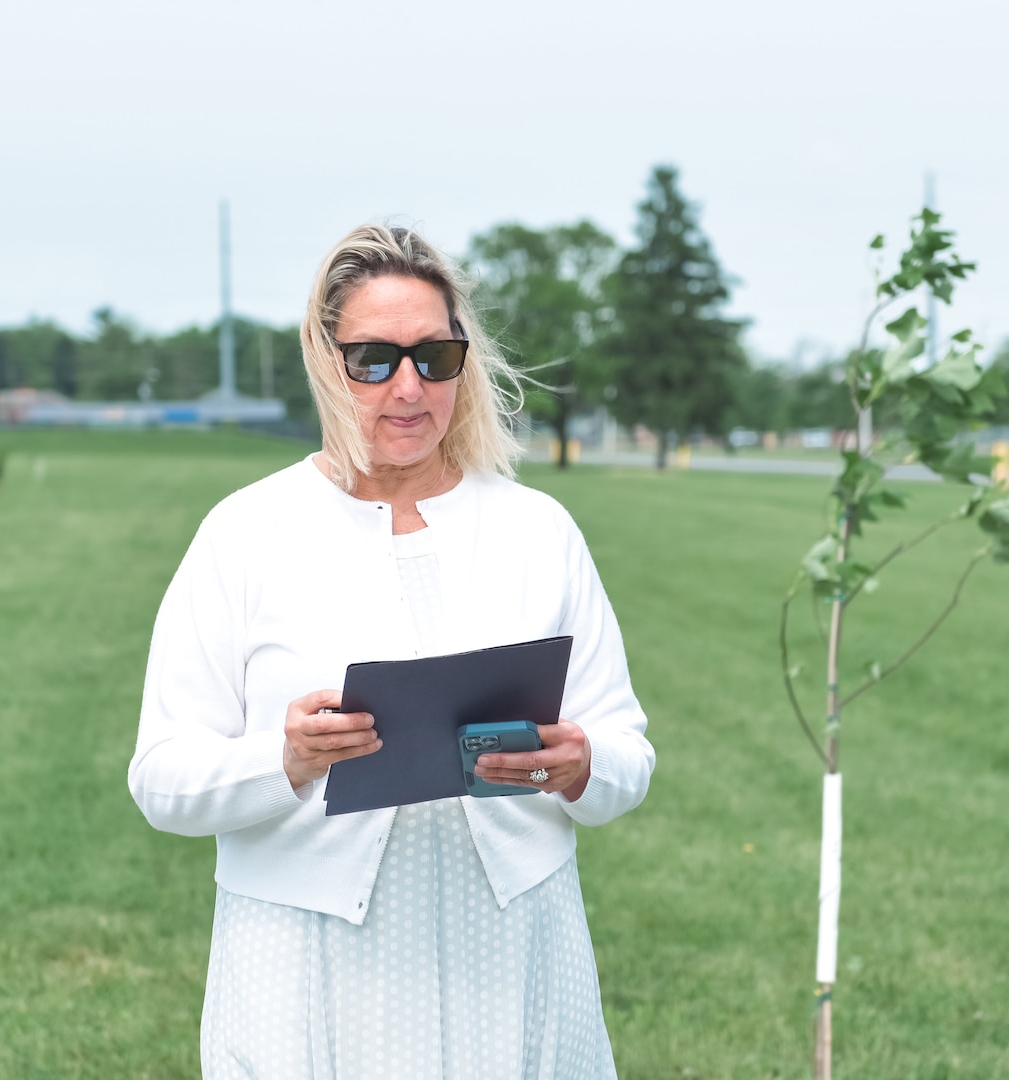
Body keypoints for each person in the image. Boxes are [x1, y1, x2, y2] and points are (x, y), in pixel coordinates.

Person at [128, 223, 655, 1079]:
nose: (407, 387)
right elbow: (161, 779)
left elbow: (628, 752)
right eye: (373, 358)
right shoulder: (246, 533)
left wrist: (580, 762)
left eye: (434, 357)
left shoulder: (538, 531)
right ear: (326, 360)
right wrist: (286, 759)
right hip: (307, 964)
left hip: (514, 945)